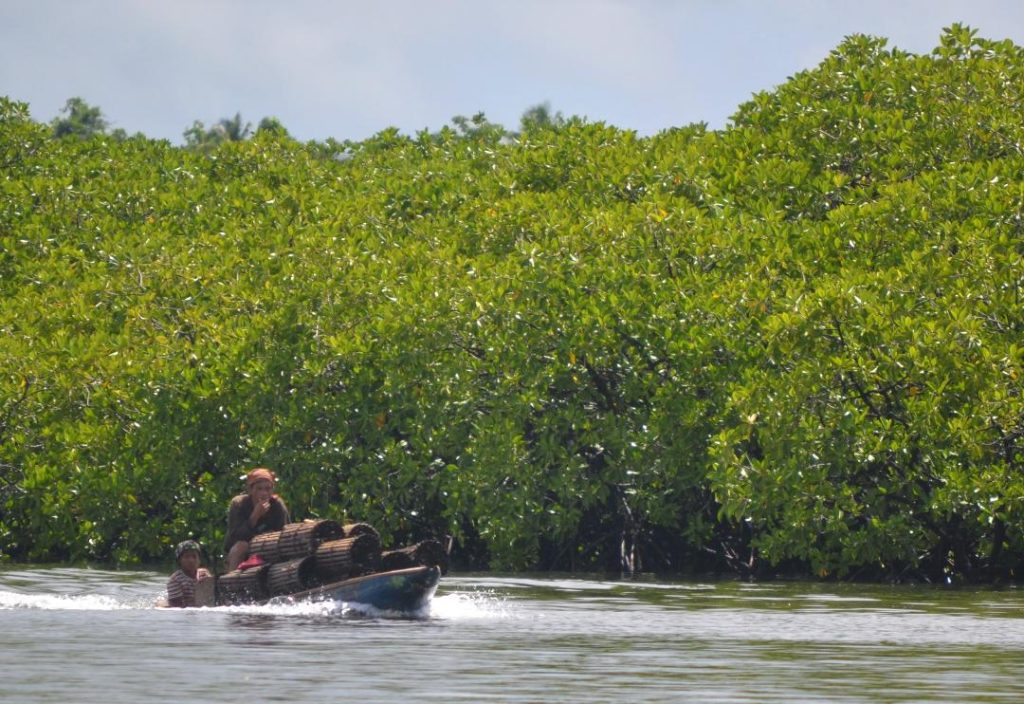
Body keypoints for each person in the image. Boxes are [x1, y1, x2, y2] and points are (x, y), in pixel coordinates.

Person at [224, 467, 290, 571]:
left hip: (270, 548)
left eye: (268, 489)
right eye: (259, 489)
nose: (264, 493)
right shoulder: (239, 504)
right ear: (250, 490)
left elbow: (285, 533)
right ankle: (231, 584)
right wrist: (254, 517)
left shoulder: (277, 505)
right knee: (240, 547)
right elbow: (234, 537)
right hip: (245, 551)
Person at [166, 539, 212, 608]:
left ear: (199, 560)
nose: (191, 560)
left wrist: (208, 581)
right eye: (186, 557)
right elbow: (177, 607)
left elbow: (210, 598)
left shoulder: (204, 574)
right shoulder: (175, 580)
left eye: (194, 556)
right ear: (179, 560)